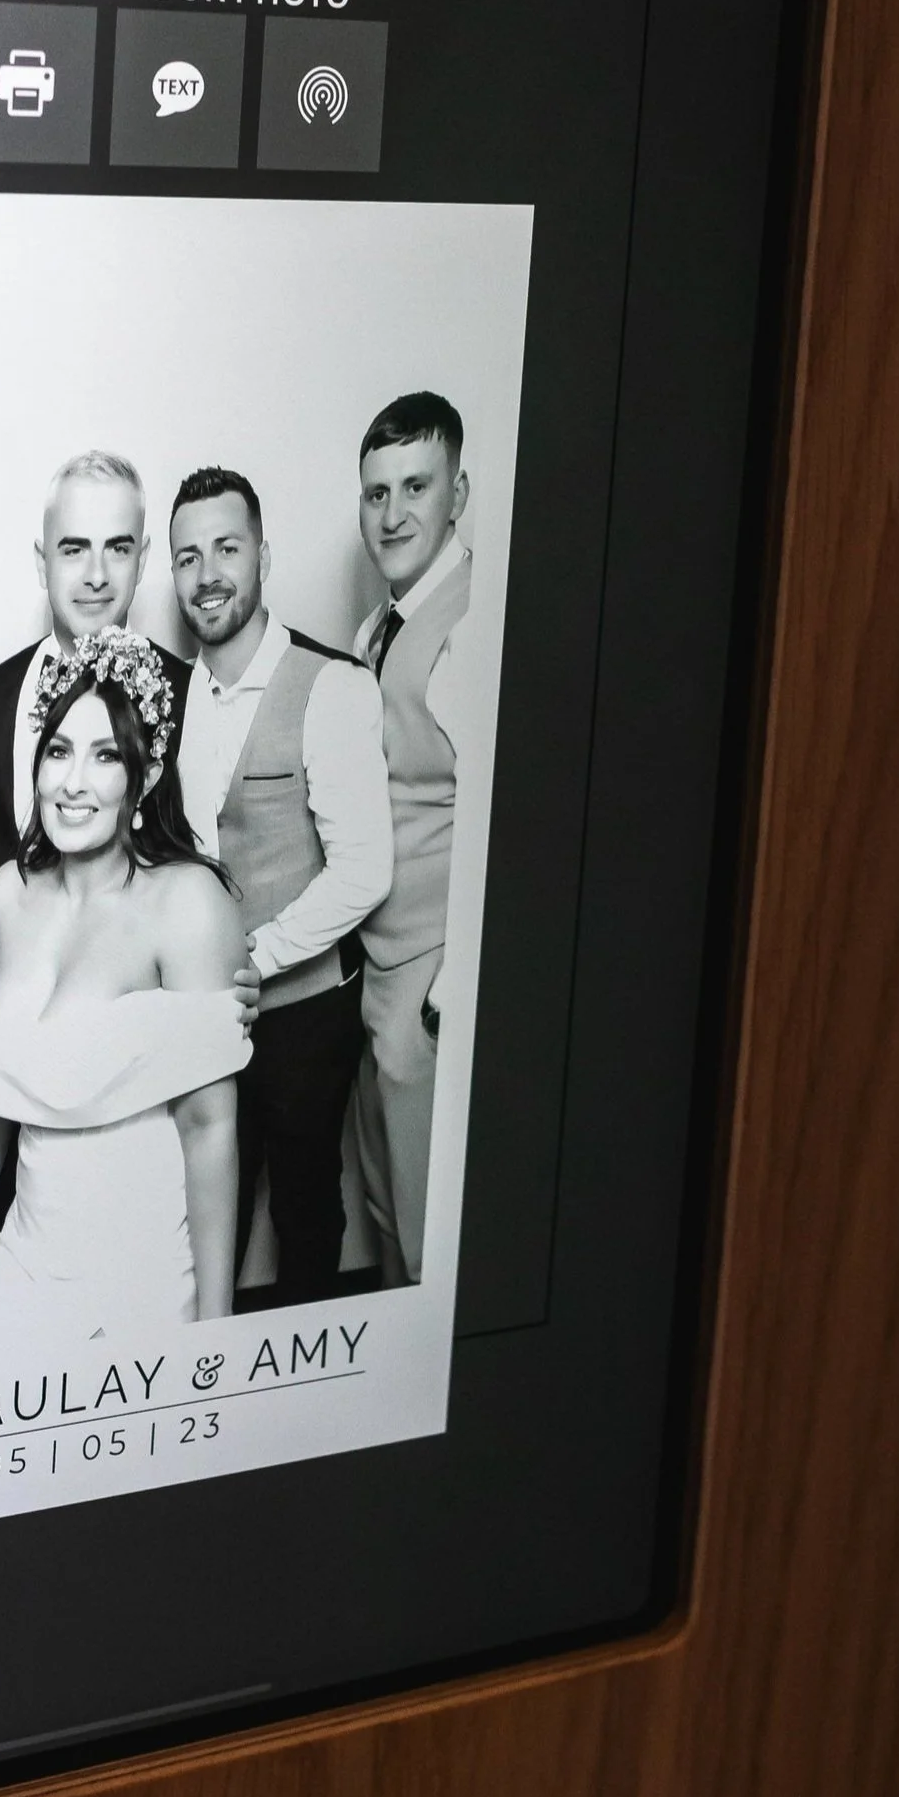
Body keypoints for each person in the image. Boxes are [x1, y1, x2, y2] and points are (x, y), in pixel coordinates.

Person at [0, 630, 248, 1354]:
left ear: (146, 776)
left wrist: (217, 1327)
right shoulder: (7, 894)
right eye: (60, 751)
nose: (73, 782)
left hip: (146, 1277)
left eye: (105, 757)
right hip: (26, 1259)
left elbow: (209, 1128)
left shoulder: (187, 904)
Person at [168, 467, 391, 1306]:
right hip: (203, 1016)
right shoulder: (172, 694)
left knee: (304, 1207)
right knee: (202, 1208)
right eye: (188, 557)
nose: (209, 573)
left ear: (264, 554)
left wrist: (257, 956)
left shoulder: (331, 685)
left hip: (304, 1015)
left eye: (227, 548)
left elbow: (365, 870)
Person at [349, 393, 472, 1287]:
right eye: (376, 493)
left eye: (415, 487)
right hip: (375, 976)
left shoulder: (476, 622)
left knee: (432, 1252)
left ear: (457, 493)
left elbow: (502, 812)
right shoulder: (372, 632)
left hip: (431, 981)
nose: (392, 515)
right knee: (389, 1223)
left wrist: (452, 987)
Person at [0, 451, 191, 906]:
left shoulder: (189, 692)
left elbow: (203, 857)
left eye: (118, 549)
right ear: (43, 563)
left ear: (141, 561)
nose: (97, 576)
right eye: (74, 549)